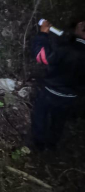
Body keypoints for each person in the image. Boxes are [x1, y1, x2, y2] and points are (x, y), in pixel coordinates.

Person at [31, 18, 85, 150]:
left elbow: (41, 56)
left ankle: (38, 147)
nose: (79, 25)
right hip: (71, 97)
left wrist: (43, 34)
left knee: (40, 117)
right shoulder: (71, 45)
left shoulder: (70, 48)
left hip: (51, 92)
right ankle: (51, 146)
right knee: (58, 122)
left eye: (81, 24)